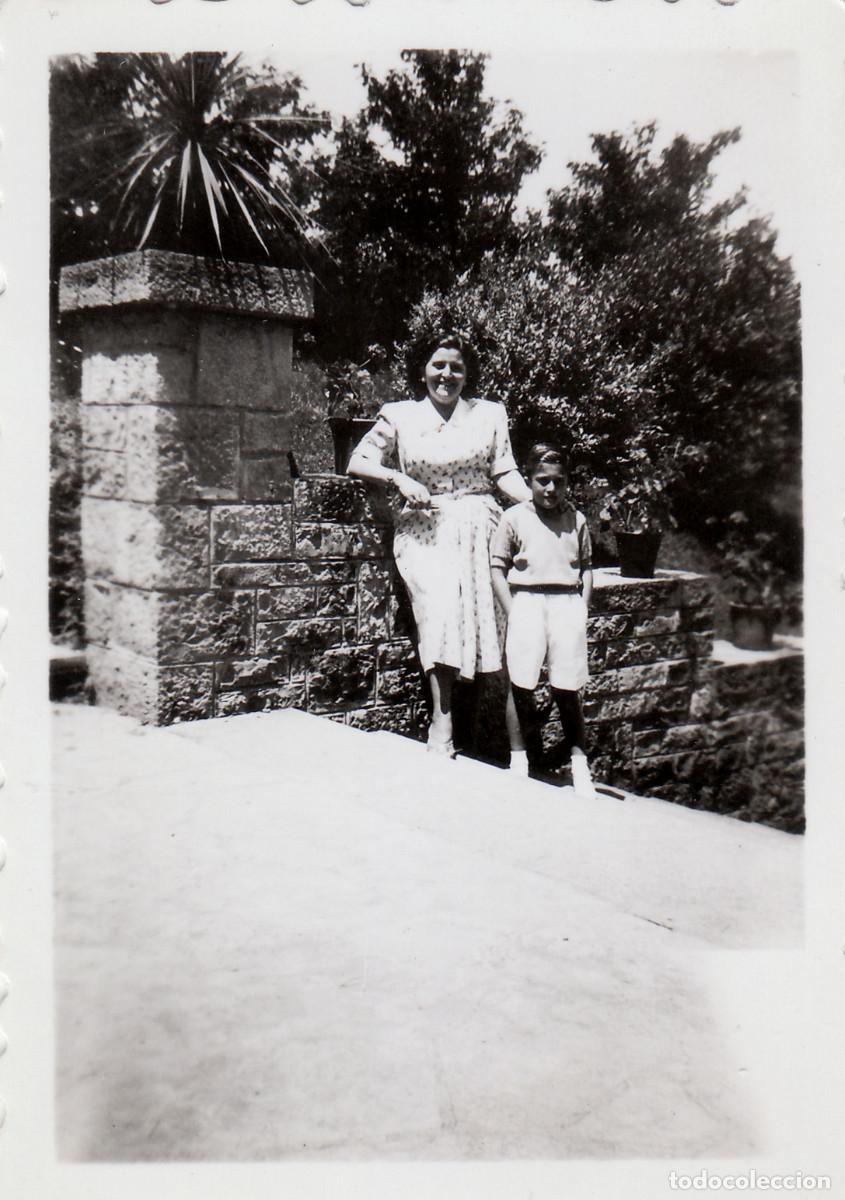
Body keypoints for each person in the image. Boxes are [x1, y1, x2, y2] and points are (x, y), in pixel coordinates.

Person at [347, 331, 531, 757]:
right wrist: (398, 477)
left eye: (456, 367)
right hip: (426, 527)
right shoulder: (399, 415)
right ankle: (442, 720)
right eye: (438, 365)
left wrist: (540, 503)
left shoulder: (490, 414)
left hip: (482, 524)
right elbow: (358, 460)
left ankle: (486, 736)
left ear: (467, 374)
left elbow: (504, 472)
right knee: (441, 608)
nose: (447, 375)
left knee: (490, 621)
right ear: (423, 370)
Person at [490, 443, 597, 797]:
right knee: (521, 684)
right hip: (527, 601)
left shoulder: (576, 520)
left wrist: (582, 606)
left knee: (567, 686)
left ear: (567, 482)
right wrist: (513, 609)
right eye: (542, 481)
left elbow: (587, 569)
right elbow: (497, 568)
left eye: (558, 481)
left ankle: (581, 768)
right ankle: (518, 760)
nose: (550, 489)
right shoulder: (514, 518)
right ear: (530, 480)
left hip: (565, 602)